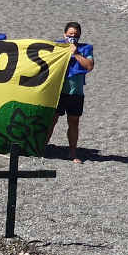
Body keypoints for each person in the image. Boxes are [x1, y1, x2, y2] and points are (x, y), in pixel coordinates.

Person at [48, 21, 94, 163]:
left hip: (76, 92)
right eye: (70, 34)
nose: (72, 36)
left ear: (79, 35)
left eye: (75, 34)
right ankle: (41, 147)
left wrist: (76, 53)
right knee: (52, 120)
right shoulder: (57, 46)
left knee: (73, 122)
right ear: (65, 34)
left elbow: (89, 66)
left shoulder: (86, 48)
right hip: (58, 91)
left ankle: (72, 152)